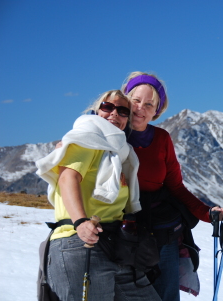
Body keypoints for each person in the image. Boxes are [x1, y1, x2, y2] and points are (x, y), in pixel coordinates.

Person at [121, 71, 223, 301]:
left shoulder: (162, 139)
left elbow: (176, 187)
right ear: (126, 100)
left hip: (161, 231)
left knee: (166, 295)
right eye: (135, 100)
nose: (140, 108)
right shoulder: (110, 133)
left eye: (148, 104)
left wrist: (208, 213)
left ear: (157, 110)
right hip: (121, 230)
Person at [36, 90, 161, 301]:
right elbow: (68, 178)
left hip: (115, 245)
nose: (115, 114)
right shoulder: (86, 139)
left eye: (123, 111)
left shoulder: (121, 153)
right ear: (96, 110)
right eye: (107, 107)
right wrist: (81, 222)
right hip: (79, 242)